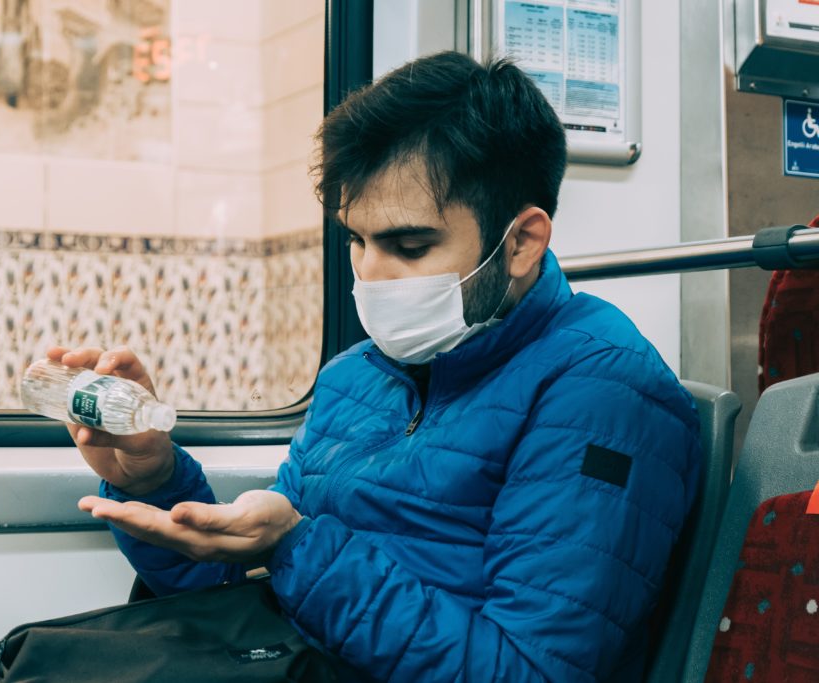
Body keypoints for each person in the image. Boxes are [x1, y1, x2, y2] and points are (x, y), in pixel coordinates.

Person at [52, 51, 701, 682]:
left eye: (410, 246)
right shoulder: (353, 379)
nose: (370, 275)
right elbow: (244, 603)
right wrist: (155, 479)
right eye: (357, 240)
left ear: (521, 243)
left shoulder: (602, 392)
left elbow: (529, 669)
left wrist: (296, 547)